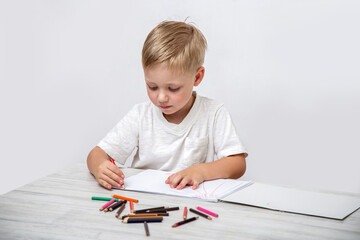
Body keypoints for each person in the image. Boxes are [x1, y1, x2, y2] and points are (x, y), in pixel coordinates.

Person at [87, 20, 247, 191]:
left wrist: (200, 171)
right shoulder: (141, 115)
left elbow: (237, 164)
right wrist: (100, 167)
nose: (161, 98)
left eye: (173, 88)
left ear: (197, 77)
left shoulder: (213, 113)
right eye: (152, 86)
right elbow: (95, 155)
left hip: (191, 208)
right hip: (144, 204)